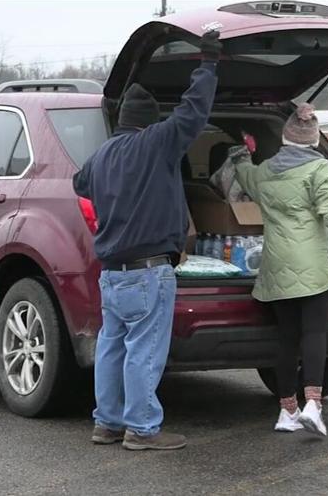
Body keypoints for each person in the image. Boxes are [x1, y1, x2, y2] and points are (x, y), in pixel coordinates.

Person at [72, 30, 221, 451]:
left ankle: (107, 423)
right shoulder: (155, 143)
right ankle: (142, 429)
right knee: (144, 349)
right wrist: (207, 64)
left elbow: (79, 184)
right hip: (148, 272)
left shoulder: (101, 157)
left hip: (113, 274)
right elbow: (192, 114)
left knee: (112, 348)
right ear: (150, 121)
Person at [233, 104, 328, 436]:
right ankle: (313, 405)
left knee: (286, 340)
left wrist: (241, 150)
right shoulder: (322, 170)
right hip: (314, 266)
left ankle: (287, 412)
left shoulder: (265, 171)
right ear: (314, 140)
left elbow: (242, 171)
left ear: (286, 138)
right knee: (313, 334)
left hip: (275, 267)